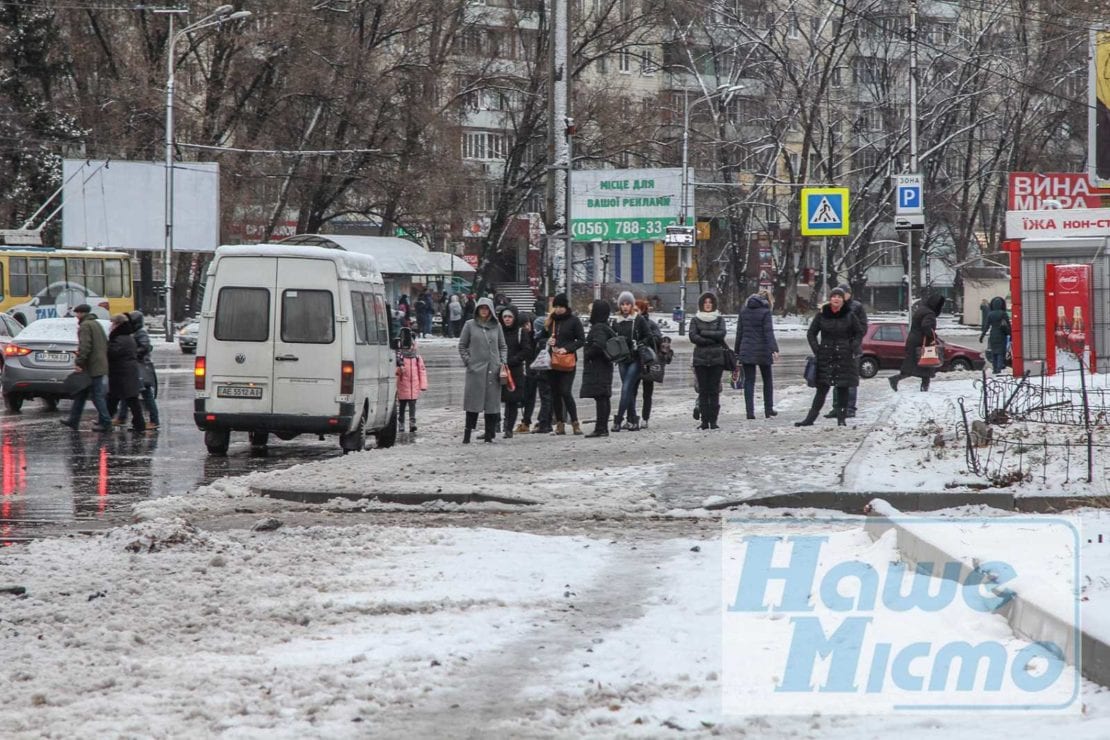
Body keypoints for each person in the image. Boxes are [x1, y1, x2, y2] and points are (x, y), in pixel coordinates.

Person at [796, 287, 863, 427]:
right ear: (830, 299)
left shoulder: (849, 315)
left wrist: (853, 347)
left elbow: (858, 332)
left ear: (843, 299)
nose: (836, 299)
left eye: (839, 296)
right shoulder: (822, 315)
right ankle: (810, 419)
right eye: (834, 296)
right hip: (826, 356)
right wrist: (817, 350)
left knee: (842, 388)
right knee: (822, 389)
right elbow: (811, 333)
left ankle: (841, 419)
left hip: (844, 356)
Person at [458, 297, 507, 443]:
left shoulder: (497, 326)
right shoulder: (469, 325)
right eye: (481, 308)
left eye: (487, 308)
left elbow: (502, 346)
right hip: (476, 371)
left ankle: (489, 435)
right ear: (477, 309)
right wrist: (469, 361)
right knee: (473, 403)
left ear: (491, 310)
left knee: (492, 405)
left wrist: (502, 361)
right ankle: (467, 435)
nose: (484, 311)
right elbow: (462, 346)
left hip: (494, 370)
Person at [61, 304, 112, 431]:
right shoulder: (96, 324)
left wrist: (79, 362)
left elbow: (85, 346)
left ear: (81, 313)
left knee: (96, 396)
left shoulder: (85, 326)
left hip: (92, 367)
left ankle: (106, 422)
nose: (76, 316)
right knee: (81, 394)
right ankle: (74, 420)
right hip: (98, 365)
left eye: (77, 313)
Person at [734, 289, 780, 420]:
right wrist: (774, 349)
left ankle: (750, 412)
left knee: (749, 381)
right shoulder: (765, 312)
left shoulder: (744, 311)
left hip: (747, 349)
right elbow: (768, 332)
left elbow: (739, 333)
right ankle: (768, 409)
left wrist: (737, 352)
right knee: (767, 380)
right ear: (767, 300)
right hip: (763, 350)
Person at [543, 293, 585, 435]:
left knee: (565, 392)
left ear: (566, 307)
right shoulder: (551, 321)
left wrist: (567, 348)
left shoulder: (574, 321)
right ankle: (559, 423)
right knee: (555, 393)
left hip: (567, 362)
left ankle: (574, 422)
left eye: (561, 306)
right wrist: (548, 341)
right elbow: (541, 337)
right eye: (556, 306)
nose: (558, 309)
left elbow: (581, 340)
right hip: (553, 361)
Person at [610, 291, 652, 432]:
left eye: (628, 304)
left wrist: (640, 343)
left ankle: (618, 419)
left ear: (632, 305)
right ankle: (633, 419)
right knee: (628, 391)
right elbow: (611, 339)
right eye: (622, 304)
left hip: (635, 359)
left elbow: (649, 336)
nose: (625, 307)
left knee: (626, 388)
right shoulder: (616, 321)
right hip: (622, 359)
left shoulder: (638, 319)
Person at [689, 292, 730, 430]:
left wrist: (704, 334)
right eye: (705, 302)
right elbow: (693, 336)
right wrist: (710, 339)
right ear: (702, 304)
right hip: (700, 359)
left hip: (717, 359)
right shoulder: (695, 320)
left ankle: (713, 420)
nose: (707, 304)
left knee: (714, 390)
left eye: (710, 302)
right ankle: (704, 421)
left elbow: (721, 334)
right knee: (703, 390)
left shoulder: (719, 319)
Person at [889, 293, 946, 392]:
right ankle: (923, 389)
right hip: (921, 343)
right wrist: (934, 337)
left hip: (913, 341)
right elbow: (926, 327)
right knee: (926, 365)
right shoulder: (929, 314)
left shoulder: (922, 309)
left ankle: (897, 379)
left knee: (915, 367)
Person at [113, 310, 160, 430]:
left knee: (146, 394)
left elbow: (145, 347)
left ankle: (154, 420)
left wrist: (133, 353)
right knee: (126, 393)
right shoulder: (133, 332)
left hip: (141, 367)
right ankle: (121, 417)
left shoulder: (140, 333)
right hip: (135, 366)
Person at [827, 284, 868, 418]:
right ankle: (837, 407)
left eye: (842, 294)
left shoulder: (856, 307)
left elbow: (862, 328)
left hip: (851, 349)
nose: (839, 297)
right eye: (836, 295)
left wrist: (853, 343)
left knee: (850, 379)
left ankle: (849, 408)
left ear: (849, 294)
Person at [580, 299, 616, 438]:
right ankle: (602, 427)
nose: (590, 313)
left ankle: (601, 428)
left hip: (598, 367)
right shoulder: (605, 326)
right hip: (604, 366)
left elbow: (598, 345)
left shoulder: (598, 327)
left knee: (601, 398)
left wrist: (588, 353)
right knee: (603, 397)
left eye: (592, 310)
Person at [106, 313, 147, 433]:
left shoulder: (121, 338)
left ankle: (139, 425)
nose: (111, 326)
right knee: (118, 399)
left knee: (129, 400)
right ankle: (106, 420)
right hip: (125, 372)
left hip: (122, 373)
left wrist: (105, 347)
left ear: (118, 324)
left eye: (113, 323)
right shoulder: (126, 336)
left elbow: (113, 353)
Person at [498, 305, 533, 438]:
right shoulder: (498, 331)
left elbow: (526, 350)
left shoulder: (520, 332)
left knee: (512, 401)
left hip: (515, 370)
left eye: (510, 317)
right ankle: (495, 426)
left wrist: (514, 359)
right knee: (495, 399)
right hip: (499, 369)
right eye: (505, 317)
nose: (507, 319)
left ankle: (508, 428)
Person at [636, 299, 670, 430]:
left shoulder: (651, 324)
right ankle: (632, 417)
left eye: (637, 309)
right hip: (635, 360)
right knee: (631, 390)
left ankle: (645, 418)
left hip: (648, 361)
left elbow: (658, 339)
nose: (635, 311)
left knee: (647, 392)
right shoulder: (631, 323)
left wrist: (647, 340)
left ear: (643, 310)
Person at [395, 327, 427, 435]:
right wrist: (399, 369)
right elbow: (395, 373)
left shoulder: (417, 358)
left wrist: (423, 385)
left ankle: (412, 423)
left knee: (412, 406)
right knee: (402, 406)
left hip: (414, 387)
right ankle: (401, 423)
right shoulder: (400, 358)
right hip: (403, 387)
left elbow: (422, 371)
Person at [529, 310, 554, 434]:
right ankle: (546, 422)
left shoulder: (541, 342)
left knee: (545, 398)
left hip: (542, 373)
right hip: (549, 372)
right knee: (548, 397)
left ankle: (544, 423)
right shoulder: (549, 339)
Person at [979, 296, 1010, 374]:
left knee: (994, 352)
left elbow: (986, 326)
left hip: (993, 334)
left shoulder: (990, 314)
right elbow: (1008, 325)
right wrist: (1011, 334)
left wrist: (982, 336)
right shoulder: (1003, 313)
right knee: (1000, 352)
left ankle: (995, 368)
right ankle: (999, 368)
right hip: (1001, 335)